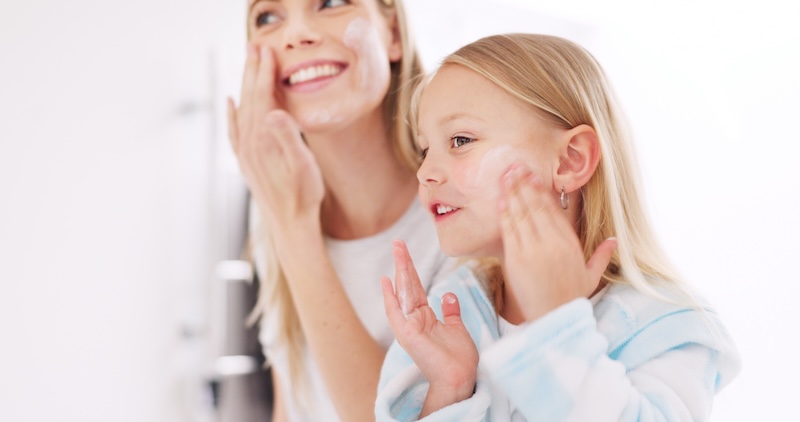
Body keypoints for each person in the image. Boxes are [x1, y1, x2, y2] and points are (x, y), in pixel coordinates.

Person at [376, 33, 741, 421]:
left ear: (570, 160)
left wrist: (557, 324)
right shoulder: (450, 310)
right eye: (425, 149)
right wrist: (449, 388)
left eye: (461, 139)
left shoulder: (665, 327)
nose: (425, 172)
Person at [226, 0, 454, 421]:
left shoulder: (457, 209)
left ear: (394, 34)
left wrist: (295, 229)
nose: (296, 34)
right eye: (268, 17)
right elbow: (293, 403)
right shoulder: (273, 198)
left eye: (330, 3)